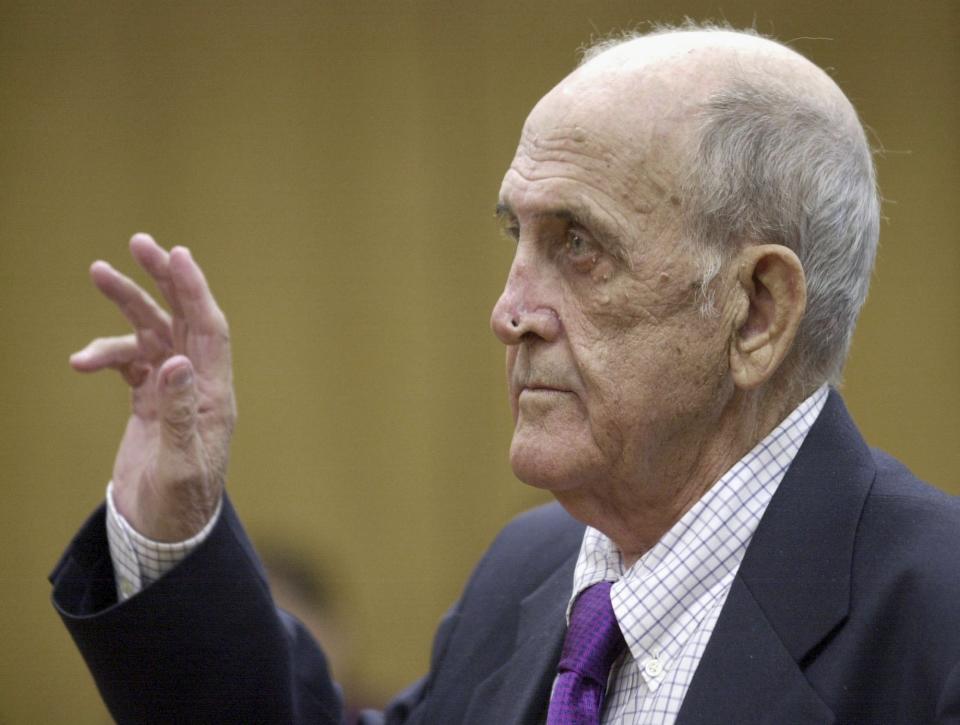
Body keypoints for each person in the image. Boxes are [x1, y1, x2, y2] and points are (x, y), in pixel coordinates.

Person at [51, 24, 960, 724]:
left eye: (579, 245)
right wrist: (175, 523)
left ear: (757, 310)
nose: (508, 311)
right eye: (515, 238)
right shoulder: (526, 573)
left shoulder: (935, 619)